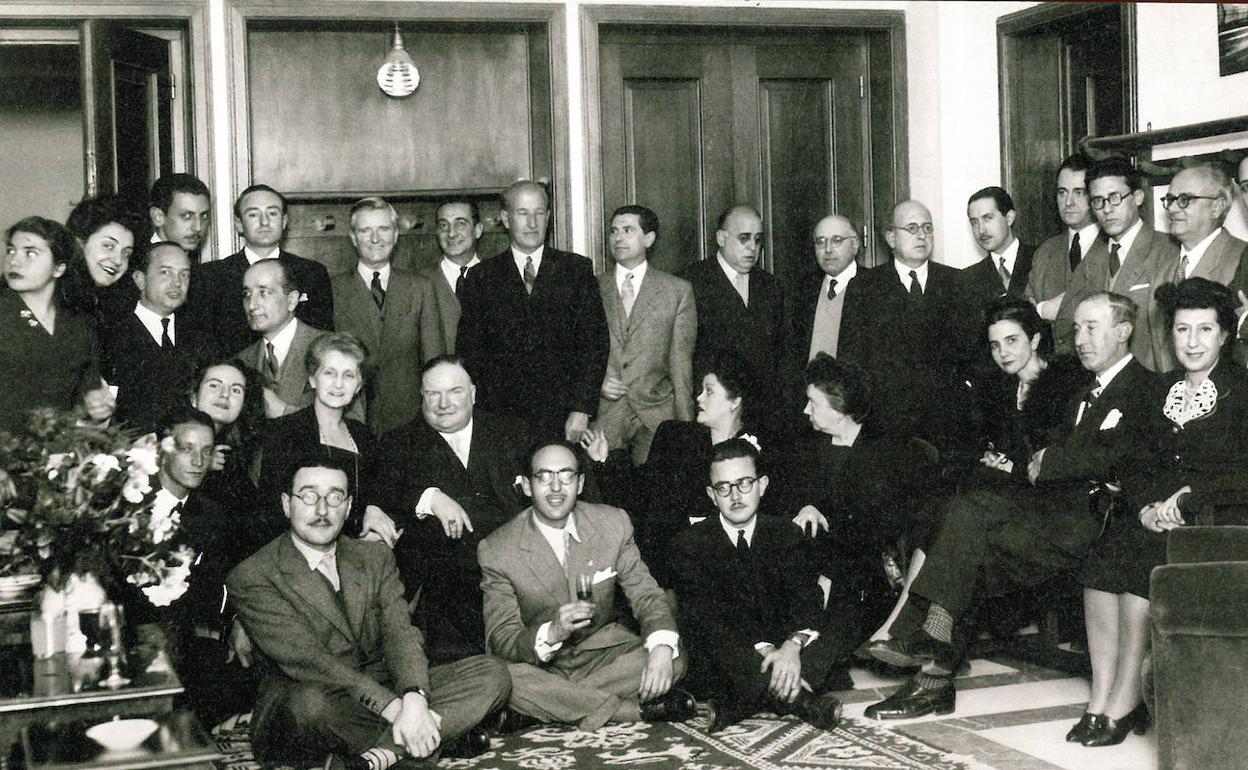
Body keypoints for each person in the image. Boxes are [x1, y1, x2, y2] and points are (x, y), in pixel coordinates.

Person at [863, 292, 1160, 720]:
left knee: (967, 525)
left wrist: (1048, 462)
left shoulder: (1141, 387)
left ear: (1124, 331)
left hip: (1090, 520)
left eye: (1091, 328)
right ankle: (931, 664)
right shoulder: (1086, 388)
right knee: (964, 535)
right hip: (1053, 511)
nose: (1080, 339)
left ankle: (925, 651)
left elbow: (1115, 454)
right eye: (1076, 329)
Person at [227, 458, 510, 766]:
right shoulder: (253, 575)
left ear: (348, 508)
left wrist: (414, 696)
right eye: (309, 496)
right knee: (310, 705)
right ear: (286, 504)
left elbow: (399, 632)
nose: (322, 510)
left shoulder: (375, 556)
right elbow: (310, 661)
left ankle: (381, 758)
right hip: (314, 698)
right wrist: (395, 708)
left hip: (382, 687)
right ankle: (435, 739)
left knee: (492, 673)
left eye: (335, 497)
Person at [1072, 278, 1248, 747]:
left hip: (1215, 520)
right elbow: (1134, 461)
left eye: (1204, 330)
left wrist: (1188, 498)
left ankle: (1125, 700)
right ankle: (1101, 695)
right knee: (1103, 559)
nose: (1191, 342)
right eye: (1182, 330)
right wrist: (1148, 505)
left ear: (1224, 335)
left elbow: (1243, 473)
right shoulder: (1158, 390)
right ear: (1170, 334)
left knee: (1137, 562)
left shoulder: (1242, 393)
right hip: (1157, 515)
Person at [477, 440, 694, 731]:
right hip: (540, 666)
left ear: (579, 484)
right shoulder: (497, 549)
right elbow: (500, 640)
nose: (556, 487)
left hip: (604, 656)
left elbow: (646, 595)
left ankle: (545, 709)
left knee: (672, 652)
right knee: (501, 677)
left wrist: (661, 649)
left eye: (566, 475)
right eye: (544, 476)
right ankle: (631, 711)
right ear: (527, 486)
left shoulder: (613, 523)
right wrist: (551, 632)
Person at [670, 439, 844, 733]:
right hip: (732, 653)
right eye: (724, 487)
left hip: (784, 647)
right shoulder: (690, 544)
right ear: (712, 496)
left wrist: (790, 646)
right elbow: (710, 617)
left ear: (762, 485)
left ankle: (744, 702)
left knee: (841, 614)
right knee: (704, 628)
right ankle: (800, 698)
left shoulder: (787, 533)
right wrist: (766, 652)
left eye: (744, 484)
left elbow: (806, 598)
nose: (735, 496)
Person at [780, 353, 937, 650]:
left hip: (870, 576)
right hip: (825, 565)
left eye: (813, 403)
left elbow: (882, 529)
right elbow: (791, 496)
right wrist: (807, 506)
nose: (805, 410)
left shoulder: (884, 453)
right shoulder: (809, 447)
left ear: (839, 408)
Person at [373, 356, 526, 661]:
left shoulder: (513, 434)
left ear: (472, 393)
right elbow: (378, 498)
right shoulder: (398, 443)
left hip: (517, 576)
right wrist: (428, 498)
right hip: (445, 594)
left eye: (454, 391)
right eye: (433, 394)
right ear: (421, 397)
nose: (443, 403)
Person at [458, 181, 607, 444]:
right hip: (500, 417)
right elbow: (471, 352)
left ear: (548, 217)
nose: (532, 222)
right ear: (505, 218)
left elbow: (594, 345)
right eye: (522, 213)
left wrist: (582, 409)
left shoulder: (576, 270)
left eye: (539, 213)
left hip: (562, 417)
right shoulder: (481, 277)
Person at [143, 407, 260, 730]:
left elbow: (231, 577)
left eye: (206, 451)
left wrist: (238, 620)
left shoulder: (213, 514)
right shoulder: (131, 505)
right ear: (161, 448)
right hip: (142, 642)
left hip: (197, 644)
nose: (198, 461)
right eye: (186, 449)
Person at [852, 200, 977, 453]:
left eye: (927, 228)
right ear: (890, 237)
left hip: (946, 423)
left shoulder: (956, 282)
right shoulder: (865, 287)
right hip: (888, 424)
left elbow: (971, 350)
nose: (922, 235)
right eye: (911, 228)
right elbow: (856, 357)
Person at [592, 205, 696, 465]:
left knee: (654, 494)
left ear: (649, 239)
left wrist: (686, 430)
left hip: (656, 413)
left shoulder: (677, 291)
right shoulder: (591, 287)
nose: (618, 237)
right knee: (604, 493)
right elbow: (575, 351)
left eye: (628, 230)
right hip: (604, 415)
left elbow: (681, 366)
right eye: (614, 231)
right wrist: (597, 381)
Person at [331, 197, 443, 438]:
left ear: (395, 234)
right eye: (365, 230)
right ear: (353, 237)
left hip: (410, 422)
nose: (375, 239)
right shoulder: (332, 289)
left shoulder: (420, 288)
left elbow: (436, 362)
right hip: (349, 419)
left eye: (383, 229)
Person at [1054, 157, 1177, 369]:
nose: (1107, 209)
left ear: (1138, 197)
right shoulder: (1092, 257)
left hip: (1151, 386)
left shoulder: (1168, 250)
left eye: (1115, 198)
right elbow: (1066, 327)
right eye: (1098, 201)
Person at [256, 333, 382, 539]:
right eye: (330, 373)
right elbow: (272, 513)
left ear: (359, 386)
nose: (338, 384)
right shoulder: (284, 431)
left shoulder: (363, 436)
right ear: (313, 379)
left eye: (348, 375)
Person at [185, 184, 334, 357]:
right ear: (239, 224)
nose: (264, 222)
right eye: (254, 214)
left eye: (272, 213)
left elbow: (322, 343)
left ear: (284, 221)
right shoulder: (210, 276)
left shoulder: (311, 273)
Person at [0, 217, 109, 433]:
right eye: (11, 250)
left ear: (59, 269)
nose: (14, 261)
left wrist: (97, 409)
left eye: (30, 253)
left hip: (58, 455)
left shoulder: (80, 325)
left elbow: (86, 398)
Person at [679, 206, 785, 423]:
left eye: (757, 240)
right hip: (712, 410)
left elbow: (781, 351)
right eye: (744, 238)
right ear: (721, 238)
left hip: (763, 411)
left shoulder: (772, 286)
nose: (752, 248)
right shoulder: (690, 282)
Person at [1142, 163, 1248, 372]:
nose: (1172, 209)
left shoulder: (1241, 259)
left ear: (1217, 206)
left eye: (1185, 200)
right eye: (1170, 200)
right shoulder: (1162, 271)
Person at [101, 241, 207, 434]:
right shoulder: (109, 338)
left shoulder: (200, 337)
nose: (177, 283)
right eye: (166, 272)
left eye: (184, 274)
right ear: (140, 280)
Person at [239, 259, 327, 417]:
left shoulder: (330, 349)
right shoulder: (242, 361)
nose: (251, 305)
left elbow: (353, 427)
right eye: (247, 294)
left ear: (292, 300)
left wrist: (284, 411)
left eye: (263, 293)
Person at [188, 357, 265, 520]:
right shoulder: (165, 439)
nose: (225, 394)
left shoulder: (235, 458)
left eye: (236, 390)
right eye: (214, 385)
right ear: (193, 397)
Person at [1027, 153, 1099, 323]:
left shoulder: (1113, 244)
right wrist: (1040, 310)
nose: (1068, 202)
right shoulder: (1046, 251)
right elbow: (1026, 310)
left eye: (1079, 193)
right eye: (1062, 192)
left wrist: (1043, 309)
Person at [62, 194, 148, 324]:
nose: (118, 260)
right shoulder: (55, 301)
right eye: (108, 246)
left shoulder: (115, 308)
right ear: (80, 243)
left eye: (126, 253)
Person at [419, 198, 483, 354]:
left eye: (460, 224)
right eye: (443, 225)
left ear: (478, 230)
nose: (451, 233)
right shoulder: (418, 282)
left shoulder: (499, 278)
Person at [961, 186, 1035, 308]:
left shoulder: (1042, 258)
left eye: (988, 218)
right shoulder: (967, 279)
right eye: (974, 222)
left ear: (1009, 218)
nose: (981, 230)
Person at [147, 173, 211, 256]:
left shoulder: (198, 266)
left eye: (204, 216)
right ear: (158, 217)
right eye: (187, 216)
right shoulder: (139, 265)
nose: (198, 228)